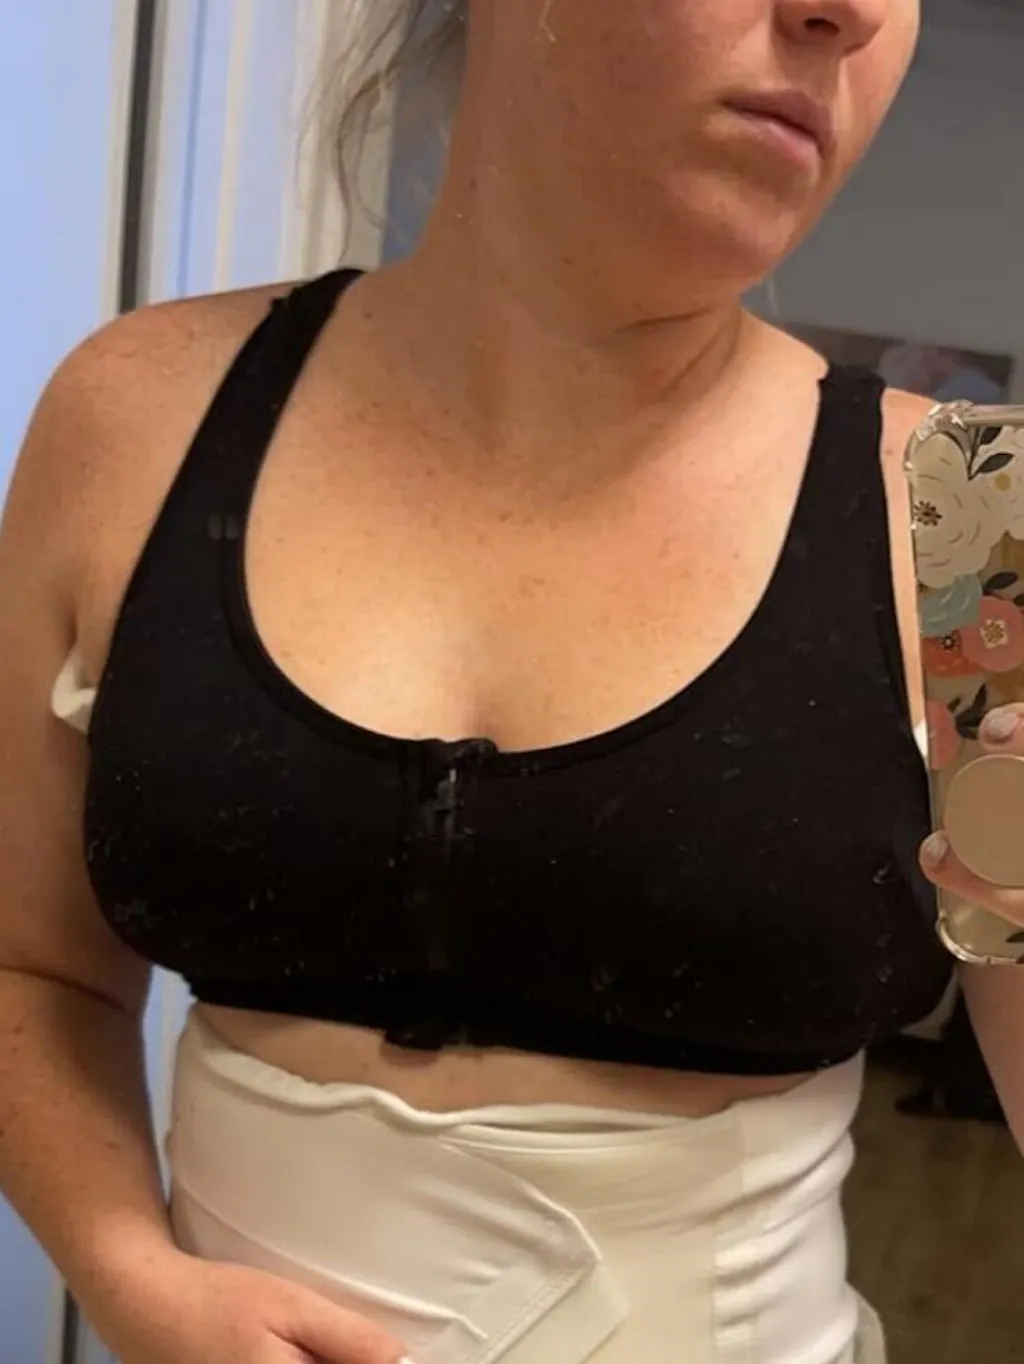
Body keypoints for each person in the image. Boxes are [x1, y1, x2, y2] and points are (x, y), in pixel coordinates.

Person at [1, 2, 1022, 1362]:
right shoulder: (133, 417)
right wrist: (129, 1274)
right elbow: (30, 968)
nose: (848, 11)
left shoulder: (977, 530)